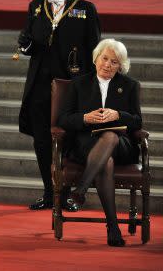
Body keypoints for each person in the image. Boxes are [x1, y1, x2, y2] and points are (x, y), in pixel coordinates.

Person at [17, 0, 101, 211]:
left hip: (72, 87)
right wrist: (24, 44)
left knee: (70, 139)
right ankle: (48, 191)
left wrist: (90, 86)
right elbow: (29, 46)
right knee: (42, 140)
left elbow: (95, 50)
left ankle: (66, 193)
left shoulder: (86, 8)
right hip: (40, 84)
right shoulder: (36, 6)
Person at [58, 39, 141, 247]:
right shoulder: (79, 83)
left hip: (121, 144)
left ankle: (81, 190)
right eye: (105, 58)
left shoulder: (130, 86)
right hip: (86, 143)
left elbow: (138, 121)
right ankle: (113, 228)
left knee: (111, 136)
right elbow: (64, 119)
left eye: (114, 62)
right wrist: (85, 118)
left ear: (120, 65)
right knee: (107, 163)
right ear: (96, 58)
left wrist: (118, 115)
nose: (108, 65)